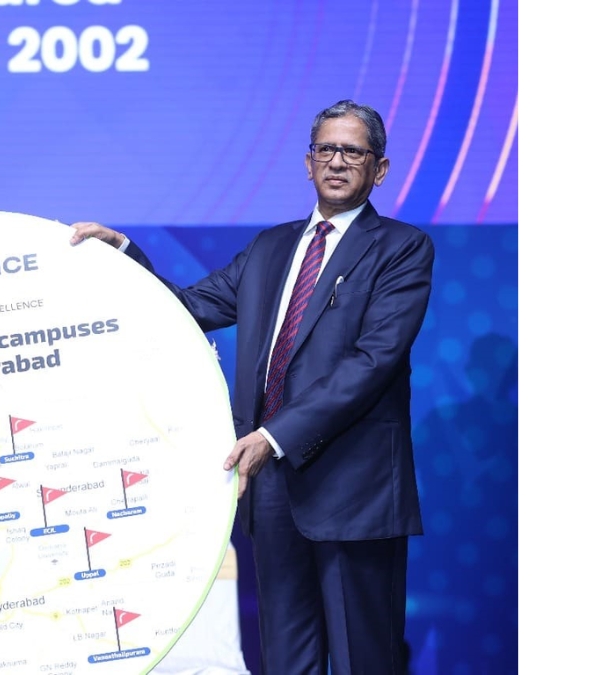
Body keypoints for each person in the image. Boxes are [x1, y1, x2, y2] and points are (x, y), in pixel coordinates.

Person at [69, 99, 433, 675]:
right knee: (287, 661)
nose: (337, 162)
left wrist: (273, 436)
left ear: (380, 169)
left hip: (353, 490)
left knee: (363, 660)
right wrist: (120, 254)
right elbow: (186, 308)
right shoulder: (270, 247)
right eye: (326, 150)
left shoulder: (402, 248)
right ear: (308, 163)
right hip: (271, 490)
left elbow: (373, 362)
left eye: (353, 152)